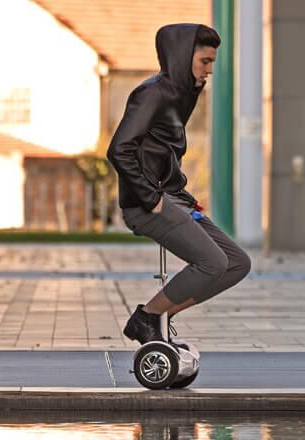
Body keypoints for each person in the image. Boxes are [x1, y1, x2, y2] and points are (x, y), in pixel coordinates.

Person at [106, 23, 251, 347]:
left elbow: (162, 150)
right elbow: (119, 149)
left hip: (174, 198)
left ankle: (160, 315)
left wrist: (177, 193)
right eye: (205, 61)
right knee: (212, 263)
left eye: (213, 62)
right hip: (148, 203)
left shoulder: (182, 94)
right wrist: (151, 197)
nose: (210, 70)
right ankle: (146, 317)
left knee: (237, 263)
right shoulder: (152, 93)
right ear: (183, 56)